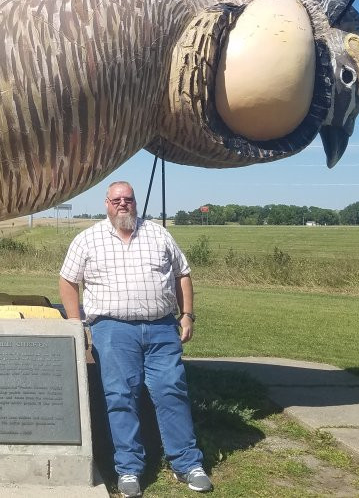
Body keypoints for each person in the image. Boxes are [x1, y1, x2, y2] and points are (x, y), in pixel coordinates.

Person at [59, 181, 212, 495]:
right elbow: (67, 281)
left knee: (172, 391)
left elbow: (183, 273)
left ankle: (187, 463)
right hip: (112, 331)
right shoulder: (88, 239)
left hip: (161, 328)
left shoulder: (158, 234)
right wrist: (76, 323)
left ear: (135, 202)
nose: (122, 204)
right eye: (116, 200)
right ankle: (129, 469)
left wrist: (187, 314)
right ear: (107, 204)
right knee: (120, 396)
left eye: (128, 199)